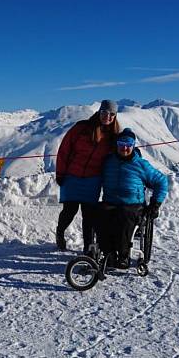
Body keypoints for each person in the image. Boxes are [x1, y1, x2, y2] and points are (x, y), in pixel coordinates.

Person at [55, 100, 121, 252]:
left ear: (115, 116)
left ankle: (88, 248)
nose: (108, 116)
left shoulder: (114, 136)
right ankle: (60, 232)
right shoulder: (81, 128)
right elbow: (64, 151)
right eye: (105, 112)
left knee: (89, 215)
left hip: (93, 179)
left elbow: (122, 155)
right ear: (99, 112)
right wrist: (60, 173)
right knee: (69, 210)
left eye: (112, 114)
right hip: (72, 176)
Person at [97, 128, 168, 269]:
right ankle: (108, 253)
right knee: (101, 214)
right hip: (110, 202)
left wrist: (155, 204)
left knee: (124, 216)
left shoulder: (141, 164)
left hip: (133, 205)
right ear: (117, 144)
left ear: (133, 146)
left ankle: (124, 255)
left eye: (128, 144)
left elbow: (161, 182)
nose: (125, 147)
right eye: (122, 143)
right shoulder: (108, 162)